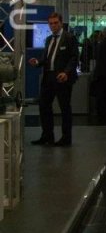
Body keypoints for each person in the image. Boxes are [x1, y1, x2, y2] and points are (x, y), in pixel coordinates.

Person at [28, 12, 79, 147]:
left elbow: (74, 58)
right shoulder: (49, 39)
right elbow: (46, 58)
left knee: (64, 108)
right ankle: (47, 136)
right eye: (51, 23)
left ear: (61, 23)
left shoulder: (69, 38)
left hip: (62, 78)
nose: (53, 26)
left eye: (56, 23)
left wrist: (66, 72)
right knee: (44, 106)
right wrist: (37, 62)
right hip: (48, 78)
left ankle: (66, 138)